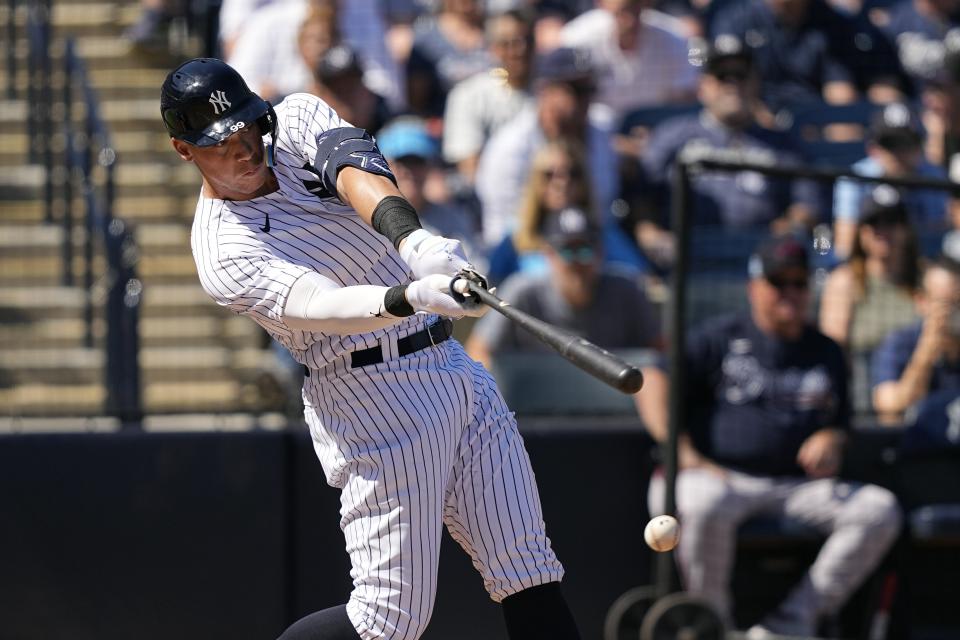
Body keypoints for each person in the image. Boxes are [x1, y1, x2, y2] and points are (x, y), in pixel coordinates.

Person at [160, 57, 580, 640]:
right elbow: (320, 307)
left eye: (247, 127)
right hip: (372, 397)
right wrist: (409, 294)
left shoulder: (297, 116)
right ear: (185, 151)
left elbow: (354, 170)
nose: (243, 146)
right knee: (390, 618)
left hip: (451, 367)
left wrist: (416, 242)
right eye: (220, 141)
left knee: (528, 568)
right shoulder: (220, 248)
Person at [635, 234, 902, 637]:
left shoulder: (825, 349)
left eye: (799, 283)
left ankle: (790, 624)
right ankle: (713, 626)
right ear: (754, 287)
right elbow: (652, 378)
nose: (790, 293)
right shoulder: (719, 336)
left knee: (878, 511)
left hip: (795, 487)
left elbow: (842, 422)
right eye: (779, 282)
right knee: (704, 502)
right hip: (722, 477)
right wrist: (679, 450)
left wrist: (833, 437)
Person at [631, 36, 821, 270]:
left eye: (741, 75)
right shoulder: (672, 135)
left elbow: (807, 204)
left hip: (757, 260)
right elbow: (640, 195)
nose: (733, 85)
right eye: (722, 76)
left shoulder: (782, 144)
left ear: (756, 83)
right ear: (703, 86)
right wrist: (650, 233)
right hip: (686, 260)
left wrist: (784, 232)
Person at [466, 206, 661, 368]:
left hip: (613, 403)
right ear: (548, 255)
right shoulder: (523, 292)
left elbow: (659, 352)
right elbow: (478, 350)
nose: (577, 262)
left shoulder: (626, 290)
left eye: (585, 250)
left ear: (600, 252)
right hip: (534, 404)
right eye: (567, 251)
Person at [709, 0, 903, 113]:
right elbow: (725, 84)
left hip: (812, 126)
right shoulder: (736, 19)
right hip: (755, 127)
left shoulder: (833, 23)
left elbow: (840, 95)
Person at [832, 102, 949, 259]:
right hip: (868, 266)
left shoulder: (933, 178)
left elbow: (937, 240)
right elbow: (844, 247)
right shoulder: (855, 178)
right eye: (890, 144)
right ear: (873, 148)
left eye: (905, 143)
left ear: (919, 148)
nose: (897, 153)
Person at [559, 0, 700, 128]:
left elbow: (686, 98)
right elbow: (564, 97)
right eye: (623, 11)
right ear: (602, 4)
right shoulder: (578, 40)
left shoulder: (674, 40)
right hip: (595, 134)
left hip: (655, 131)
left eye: (635, 7)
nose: (630, 21)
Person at [819, 185, 921, 353]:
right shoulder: (845, 281)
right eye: (875, 223)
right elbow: (833, 350)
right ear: (862, 232)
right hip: (864, 377)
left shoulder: (924, 279)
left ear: (905, 229)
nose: (883, 231)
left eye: (892, 221)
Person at [442, 9, 537, 183]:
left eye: (527, 41)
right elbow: (469, 168)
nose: (520, 50)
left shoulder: (547, 93)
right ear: (494, 48)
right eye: (511, 43)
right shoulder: (468, 95)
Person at [485, 139, 598, 284]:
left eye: (572, 173)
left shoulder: (599, 231)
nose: (562, 182)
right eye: (549, 174)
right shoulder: (515, 236)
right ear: (536, 181)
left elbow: (631, 274)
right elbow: (490, 290)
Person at [871, 256, 960, 421]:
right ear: (921, 301)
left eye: (959, 303)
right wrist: (926, 350)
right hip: (917, 442)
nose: (954, 312)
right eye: (946, 304)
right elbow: (890, 407)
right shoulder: (899, 343)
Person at [406, 0, 495, 119]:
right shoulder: (427, 35)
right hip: (440, 121)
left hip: (492, 118)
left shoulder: (497, 31)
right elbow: (416, 99)